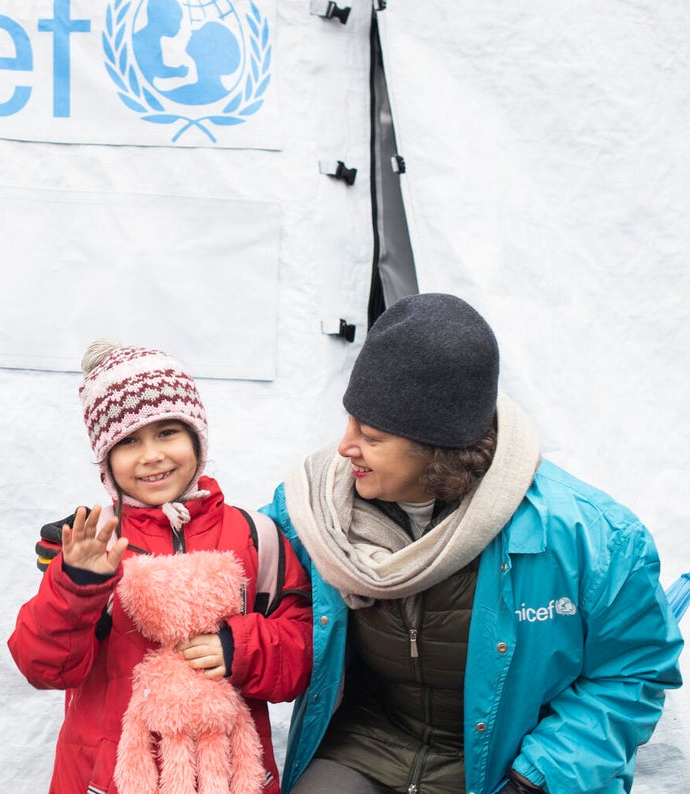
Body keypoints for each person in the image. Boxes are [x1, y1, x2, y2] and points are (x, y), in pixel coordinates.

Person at [262, 293, 683, 794]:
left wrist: (537, 777)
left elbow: (631, 675)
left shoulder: (593, 537)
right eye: (349, 420)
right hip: (369, 742)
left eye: (371, 436)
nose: (344, 447)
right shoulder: (314, 510)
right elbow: (237, 570)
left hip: (506, 761)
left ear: (436, 449)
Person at [10, 339, 313, 794]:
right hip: (106, 778)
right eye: (128, 441)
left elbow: (305, 648)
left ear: (197, 437)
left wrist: (241, 647)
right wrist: (76, 586)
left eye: (167, 433)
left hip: (227, 774)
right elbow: (45, 667)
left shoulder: (257, 537)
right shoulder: (93, 544)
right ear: (106, 459)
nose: (151, 455)